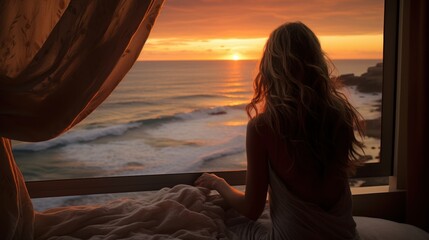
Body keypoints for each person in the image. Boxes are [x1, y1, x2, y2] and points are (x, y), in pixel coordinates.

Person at [194, 22, 364, 239]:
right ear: (317, 61)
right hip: (345, 236)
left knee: (225, 222)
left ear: (271, 67)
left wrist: (219, 183)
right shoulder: (340, 117)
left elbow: (251, 209)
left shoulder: (263, 127)